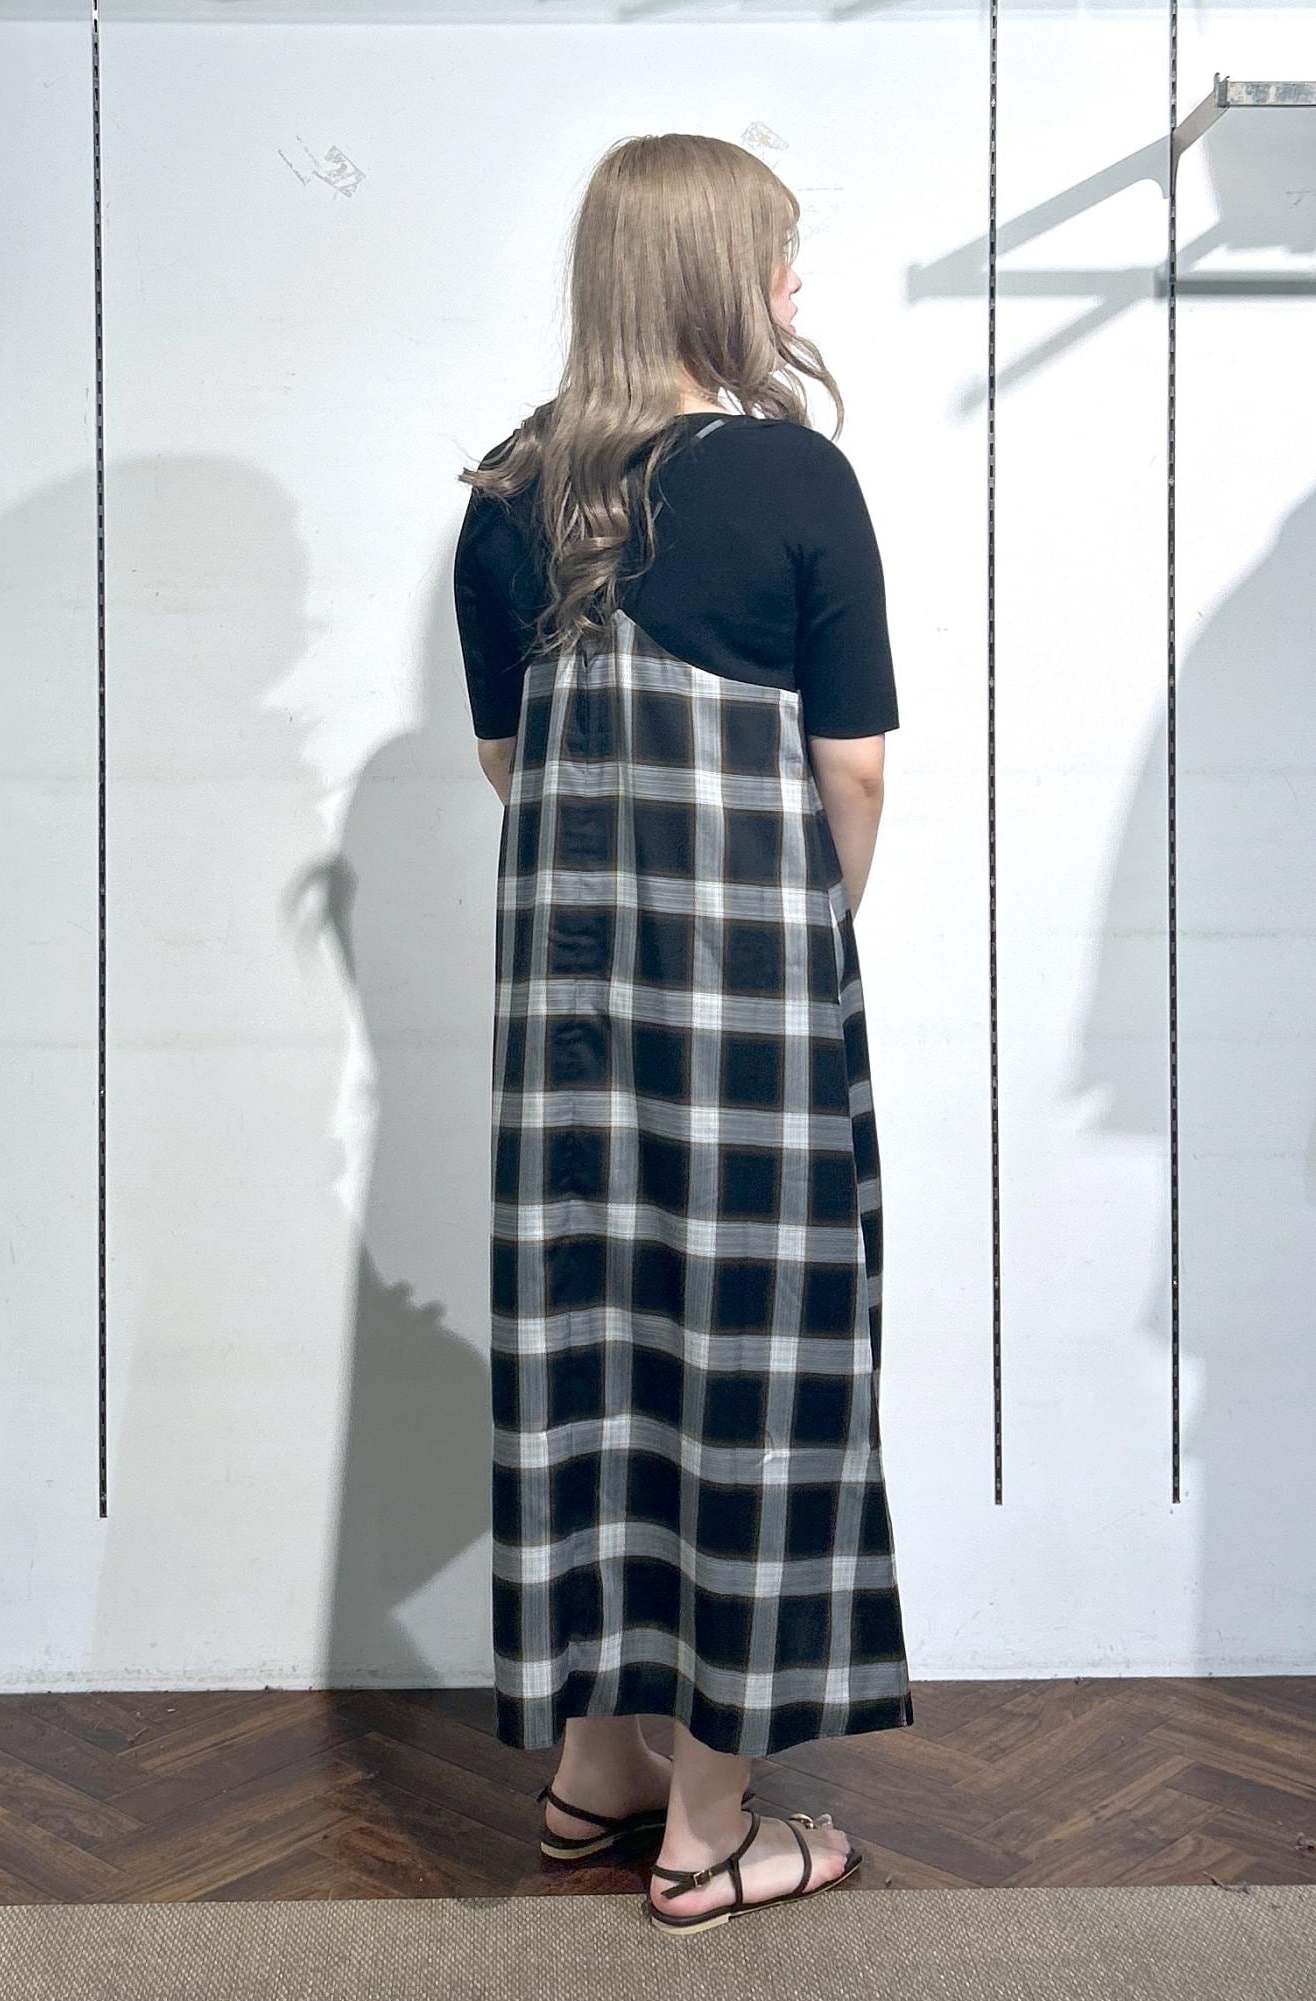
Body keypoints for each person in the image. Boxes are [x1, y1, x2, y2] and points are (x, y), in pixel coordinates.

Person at [452, 131, 913, 1936]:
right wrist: (801, 933)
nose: (796, 291)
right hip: (748, 1024)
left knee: (596, 1362)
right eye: (781, 260)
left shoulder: (505, 493)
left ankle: (596, 1767)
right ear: (721, 278)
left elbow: (511, 764)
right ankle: (711, 1829)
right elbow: (853, 772)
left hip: (567, 1034)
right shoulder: (795, 477)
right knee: (753, 1377)